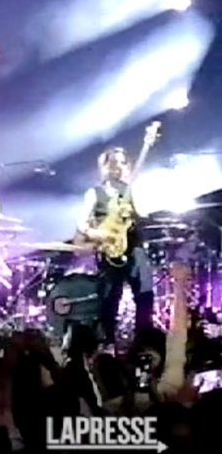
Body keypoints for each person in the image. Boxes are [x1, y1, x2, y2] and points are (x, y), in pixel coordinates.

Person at [76, 146, 155, 345]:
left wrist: (135, 210)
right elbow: (81, 223)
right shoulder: (94, 193)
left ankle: (143, 342)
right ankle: (108, 342)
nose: (117, 167)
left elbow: (144, 215)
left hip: (134, 247)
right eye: (112, 163)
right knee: (110, 297)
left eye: (122, 163)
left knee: (145, 293)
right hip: (109, 249)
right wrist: (94, 233)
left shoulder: (131, 190)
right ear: (103, 167)